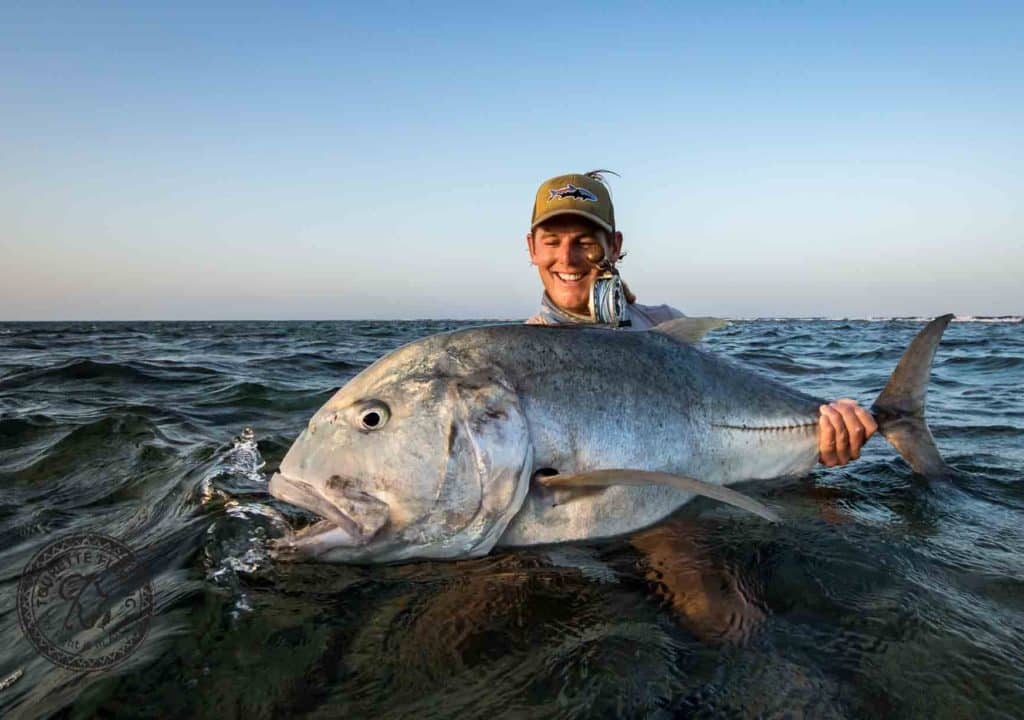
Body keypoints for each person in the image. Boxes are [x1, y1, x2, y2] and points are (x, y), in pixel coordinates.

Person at [524, 170, 877, 467]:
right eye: (552, 242)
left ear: (614, 246)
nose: (567, 259)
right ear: (532, 249)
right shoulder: (515, 360)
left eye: (585, 242)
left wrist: (823, 431)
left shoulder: (662, 325)